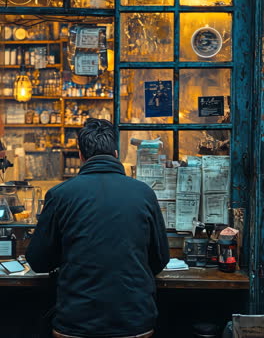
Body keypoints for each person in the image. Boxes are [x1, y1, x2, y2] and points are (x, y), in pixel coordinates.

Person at [26, 118, 170, 338]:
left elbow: (38, 261)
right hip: (134, 321)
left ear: (81, 156)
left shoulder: (60, 194)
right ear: (115, 154)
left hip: (76, 323)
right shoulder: (144, 193)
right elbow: (160, 259)